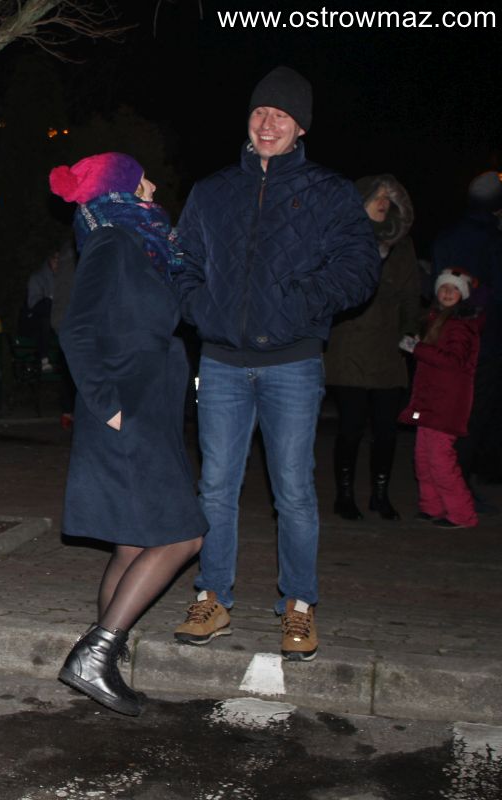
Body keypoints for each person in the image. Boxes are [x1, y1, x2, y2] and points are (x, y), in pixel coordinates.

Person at [171, 66, 380, 662]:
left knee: (293, 490)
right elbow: (181, 261)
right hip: (222, 361)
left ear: (301, 127)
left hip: (293, 361)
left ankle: (299, 605)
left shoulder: (330, 192)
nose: (268, 124)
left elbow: (360, 267)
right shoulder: (212, 190)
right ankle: (212, 596)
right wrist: (201, 308)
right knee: (215, 486)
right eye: (261, 112)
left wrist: (301, 303)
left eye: (281, 116)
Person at [50, 153, 207, 717]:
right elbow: (76, 329)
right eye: (142, 179)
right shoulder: (113, 241)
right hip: (127, 412)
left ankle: (101, 662)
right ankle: (95, 655)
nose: (154, 186)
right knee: (183, 535)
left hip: (147, 409)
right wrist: (108, 405)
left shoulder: (139, 244)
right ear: (120, 188)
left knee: (133, 544)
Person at [325, 175, 420, 521]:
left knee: (385, 428)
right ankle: (345, 495)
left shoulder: (402, 245)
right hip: (348, 346)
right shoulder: (342, 237)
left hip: (387, 351)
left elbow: (411, 295)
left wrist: (410, 333)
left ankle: (381, 494)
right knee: (351, 426)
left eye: (387, 197)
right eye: (376, 196)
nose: (383, 202)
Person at [433, 171, 502, 497]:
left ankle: (443, 482)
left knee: (449, 411)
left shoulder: (447, 236)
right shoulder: (494, 242)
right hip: (485, 342)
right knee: (475, 413)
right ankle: (460, 488)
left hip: (447, 336)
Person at [397, 269, 482, 529]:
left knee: (440, 458)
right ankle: (432, 506)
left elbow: (453, 361)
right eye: (444, 287)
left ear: (462, 295)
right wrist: (418, 345)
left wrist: (418, 348)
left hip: (447, 403)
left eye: (454, 289)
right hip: (428, 401)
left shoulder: (461, 325)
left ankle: (462, 514)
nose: (447, 292)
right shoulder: (435, 320)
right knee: (423, 457)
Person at [49, 235, 79, 430]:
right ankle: (71, 412)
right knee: (75, 374)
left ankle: (70, 412)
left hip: (67, 323)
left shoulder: (69, 254)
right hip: (72, 323)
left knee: (71, 373)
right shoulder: (72, 255)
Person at [20, 248, 60, 371]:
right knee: (46, 311)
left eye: (60, 260)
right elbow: (33, 304)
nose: (58, 263)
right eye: (55, 260)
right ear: (49, 260)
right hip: (34, 321)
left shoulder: (63, 278)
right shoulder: (37, 277)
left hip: (55, 321)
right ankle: (44, 359)